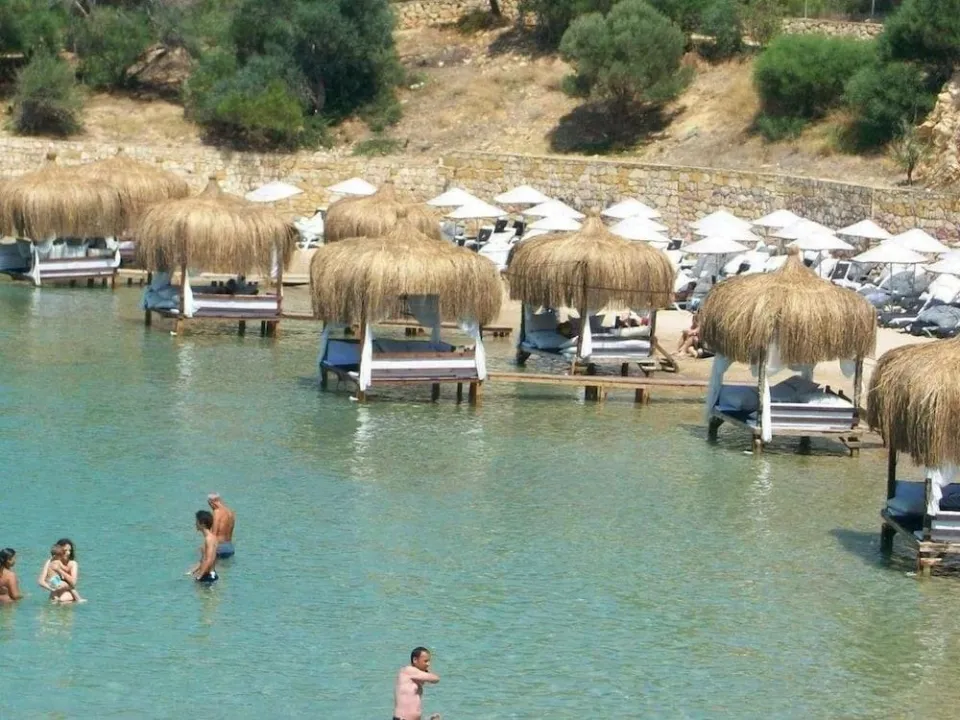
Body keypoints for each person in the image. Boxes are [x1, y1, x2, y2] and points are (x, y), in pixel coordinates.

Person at [393, 647, 440, 720]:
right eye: (425, 661)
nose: (428, 664)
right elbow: (435, 679)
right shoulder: (408, 670)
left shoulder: (415, 676)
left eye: (429, 661)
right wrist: (426, 672)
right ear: (415, 660)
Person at [187, 510, 219, 584]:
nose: (195, 524)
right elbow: (203, 560)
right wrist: (192, 571)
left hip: (208, 576)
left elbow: (208, 560)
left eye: (197, 521)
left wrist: (199, 577)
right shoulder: (212, 537)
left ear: (203, 524)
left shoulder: (209, 539)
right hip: (209, 574)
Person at [207, 493, 236, 559]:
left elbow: (214, 534)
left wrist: (205, 548)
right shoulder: (230, 512)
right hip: (230, 547)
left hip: (219, 547)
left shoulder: (217, 512)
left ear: (211, 502)